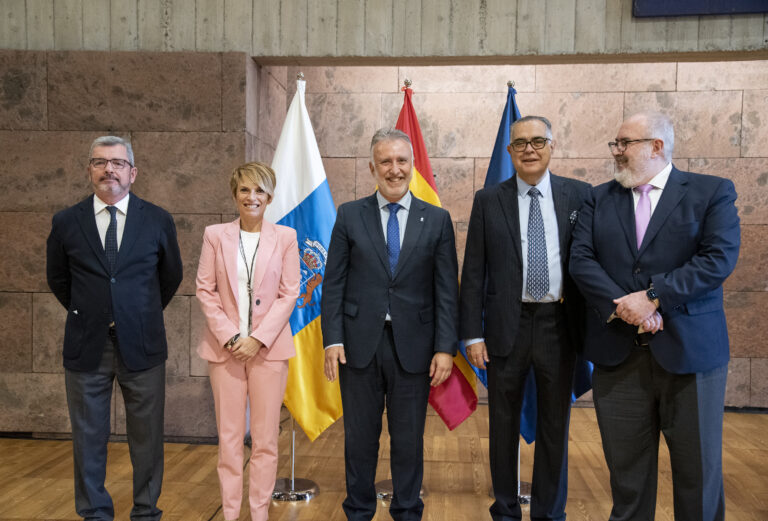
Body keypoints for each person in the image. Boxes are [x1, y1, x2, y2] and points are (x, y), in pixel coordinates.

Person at [569, 112, 740, 521]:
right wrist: (627, 307)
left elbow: (717, 260)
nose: (617, 151)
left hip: (691, 357)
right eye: (616, 144)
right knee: (627, 479)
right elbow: (582, 260)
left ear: (657, 146)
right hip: (618, 358)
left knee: (698, 476)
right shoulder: (597, 197)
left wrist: (653, 297)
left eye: (624, 143)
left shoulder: (711, 192)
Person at [321, 128, 459, 521]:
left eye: (401, 161)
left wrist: (445, 347)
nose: (394, 170)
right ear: (372, 167)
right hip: (358, 346)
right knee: (360, 442)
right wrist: (332, 339)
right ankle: (359, 512)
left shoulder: (436, 219)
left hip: (415, 349)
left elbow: (447, 289)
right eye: (386, 161)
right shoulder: (349, 215)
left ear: (412, 165)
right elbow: (333, 284)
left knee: (408, 442)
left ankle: (407, 512)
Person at [459, 116, 590, 521]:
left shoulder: (579, 196)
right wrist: (471, 335)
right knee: (502, 425)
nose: (529, 149)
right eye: (520, 143)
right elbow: (474, 272)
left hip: (558, 326)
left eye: (537, 141)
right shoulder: (488, 200)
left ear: (552, 146)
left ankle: (550, 513)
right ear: (510, 151)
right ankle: (505, 509)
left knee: (555, 426)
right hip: (504, 327)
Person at [46, 136, 183, 521]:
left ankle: (145, 512)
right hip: (86, 347)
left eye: (118, 163)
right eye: (100, 162)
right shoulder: (66, 222)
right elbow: (58, 280)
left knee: (147, 438)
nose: (110, 169)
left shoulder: (157, 219)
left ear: (133, 172)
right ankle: (94, 514)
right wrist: (91, 313)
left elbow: (170, 277)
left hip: (142, 346)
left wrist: (134, 315)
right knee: (88, 439)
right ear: (88, 170)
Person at [196, 162, 300, 521]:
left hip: (268, 352)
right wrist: (230, 337)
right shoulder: (215, 234)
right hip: (224, 352)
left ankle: (259, 514)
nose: (251, 197)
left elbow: (290, 294)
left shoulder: (286, 237)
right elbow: (204, 290)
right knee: (229, 439)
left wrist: (256, 338)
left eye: (259, 190)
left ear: (269, 196)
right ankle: (229, 514)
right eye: (244, 190)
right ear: (234, 194)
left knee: (266, 441)